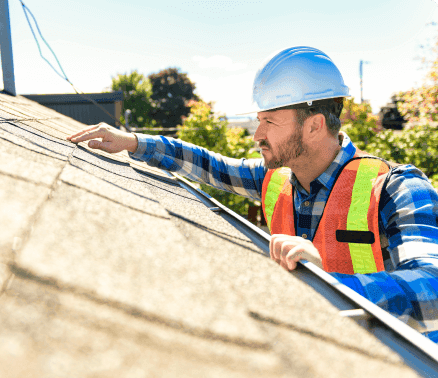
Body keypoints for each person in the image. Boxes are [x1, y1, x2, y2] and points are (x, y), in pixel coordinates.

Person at [68, 46, 438, 340]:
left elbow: (432, 290)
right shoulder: (277, 178)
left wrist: (330, 283)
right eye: (259, 120)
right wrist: (133, 142)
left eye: (270, 122)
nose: (257, 135)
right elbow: (212, 165)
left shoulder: (398, 188)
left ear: (313, 126)